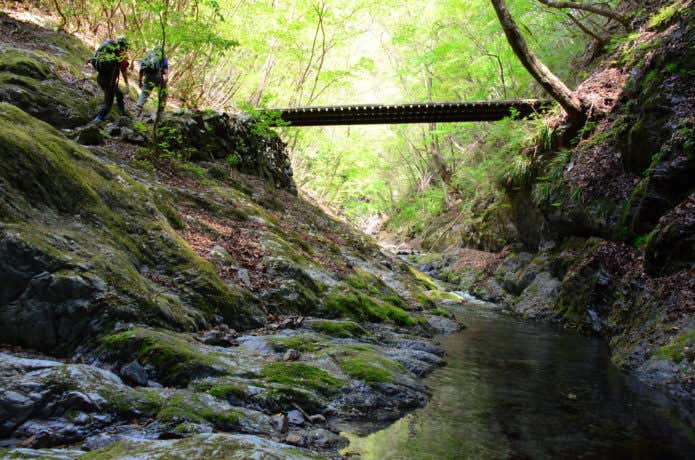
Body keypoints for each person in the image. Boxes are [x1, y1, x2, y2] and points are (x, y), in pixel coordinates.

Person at [90, 35, 130, 122]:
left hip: (101, 77)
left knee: (119, 94)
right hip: (109, 81)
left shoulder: (109, 47)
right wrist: (127, 84)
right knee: (108, 104)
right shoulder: (120, 53)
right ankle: (96, 121)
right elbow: (123, 70)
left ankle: (122, 112)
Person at [135, 45, 169, 117]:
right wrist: (166, 77)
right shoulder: (162, 56)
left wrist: (140, 80)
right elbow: (165, 68)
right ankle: (160, 112)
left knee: (144, 93)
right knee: (163, 93)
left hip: (148, 76)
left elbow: (141, 69)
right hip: (158, 77)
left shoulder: (148, 55)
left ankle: (138, 109)